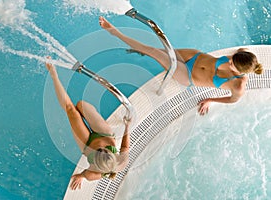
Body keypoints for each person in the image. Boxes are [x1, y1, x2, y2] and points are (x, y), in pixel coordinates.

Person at [99, 16, 263, 115]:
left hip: (188, 75)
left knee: (153, 52)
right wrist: (243, 56)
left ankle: (113, 31)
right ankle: (140, 50)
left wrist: (210, 100)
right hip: (194, 55)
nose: (229, 61)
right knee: (157, 50)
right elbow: (244, 50)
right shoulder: (244, 58)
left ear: (240, 72)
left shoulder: (238, 85)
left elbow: (232, 100)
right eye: (231, 58)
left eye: (232, 64)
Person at [45, 57, 131, 190]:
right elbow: (125, 146)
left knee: (71, 110)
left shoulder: (93, 174)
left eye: (98, 152)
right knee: (80, 104)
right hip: (104, 134)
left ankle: (53, 73)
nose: (102, 149)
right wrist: (127, 126)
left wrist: (81, 176)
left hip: (86, 144)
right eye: (106, 151)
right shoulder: (121, 163)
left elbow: (84, 174)